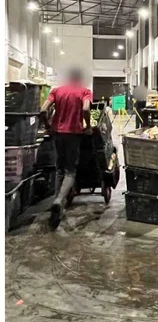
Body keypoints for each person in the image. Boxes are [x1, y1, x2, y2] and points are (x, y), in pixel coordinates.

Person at [39, 67, 93, 228]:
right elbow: (85, 108)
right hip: (74, 133)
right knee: (70, 171)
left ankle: (58, 204)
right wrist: (88, 126)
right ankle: (59, 200)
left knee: (59, 169)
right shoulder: (85, 91)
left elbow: (43, 109)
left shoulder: (57, 90)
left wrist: (47, 125)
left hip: (57, 133)